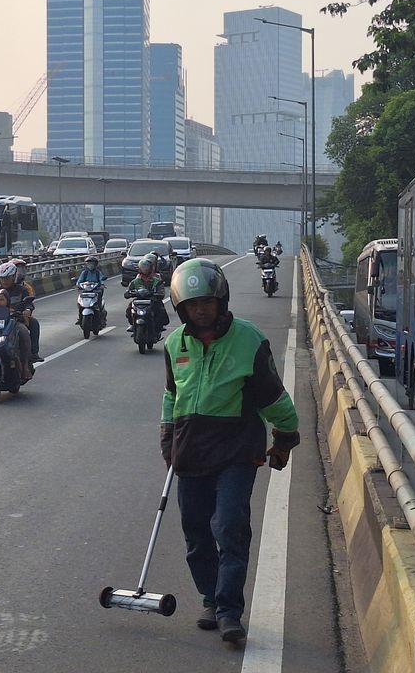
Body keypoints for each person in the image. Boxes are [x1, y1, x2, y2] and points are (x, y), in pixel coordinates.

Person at [160, 258, 300, 643]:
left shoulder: (249, 339)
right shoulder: (175, 344)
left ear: (221, 300)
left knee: (228, 527)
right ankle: (210, 596)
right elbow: (172, 396)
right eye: (192, 304)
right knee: (196, 534)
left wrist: (286, 436)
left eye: (206, 301)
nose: (201, 309)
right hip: (190, 452)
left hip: (237, 450)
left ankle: (228, 610)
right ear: (181, 308)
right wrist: (166, 435)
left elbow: (271, 395)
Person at [0, 261, 36, 372]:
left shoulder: (22, 290)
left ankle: (27, 361)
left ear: (13, 277)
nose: (4, 281)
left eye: (7, 278)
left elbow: (28, 303)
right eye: (2, 278)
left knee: (25, 330)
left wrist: (27, 310)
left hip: (15, 320)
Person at [10, 257, 44, 363]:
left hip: (20, 316)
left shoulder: (26, 288)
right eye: (17, 270)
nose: (20, 273)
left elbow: (30, 302)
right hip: (2, 318)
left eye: (22, 270)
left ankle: (34, 353)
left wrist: (27, 310)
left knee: (34, 323)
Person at [124, 253, 169, 333]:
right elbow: (130, 289)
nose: (145, 270)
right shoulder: (136, 280)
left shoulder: (156, 279)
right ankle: (132, 324)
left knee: (160, 309)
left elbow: (161, 291)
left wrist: (158, 294)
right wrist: (128, 293)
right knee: (129, 308)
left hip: (152, 300)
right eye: (143, 268)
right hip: (139, 300)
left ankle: (159, 326)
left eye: (146, 268)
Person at [74, 255, 106, 325]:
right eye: (89, 264)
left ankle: (100, 314)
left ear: (95, 265)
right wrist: (78, 285)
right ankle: (80, 318)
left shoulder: (98, 273)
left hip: (96, 290)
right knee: (80, 303)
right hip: (85, 290)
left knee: (98, 302)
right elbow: (79, 281)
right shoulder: (84, 273)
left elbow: (101, 279)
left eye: (92, 264)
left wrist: (102, 285)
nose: (90, 265)